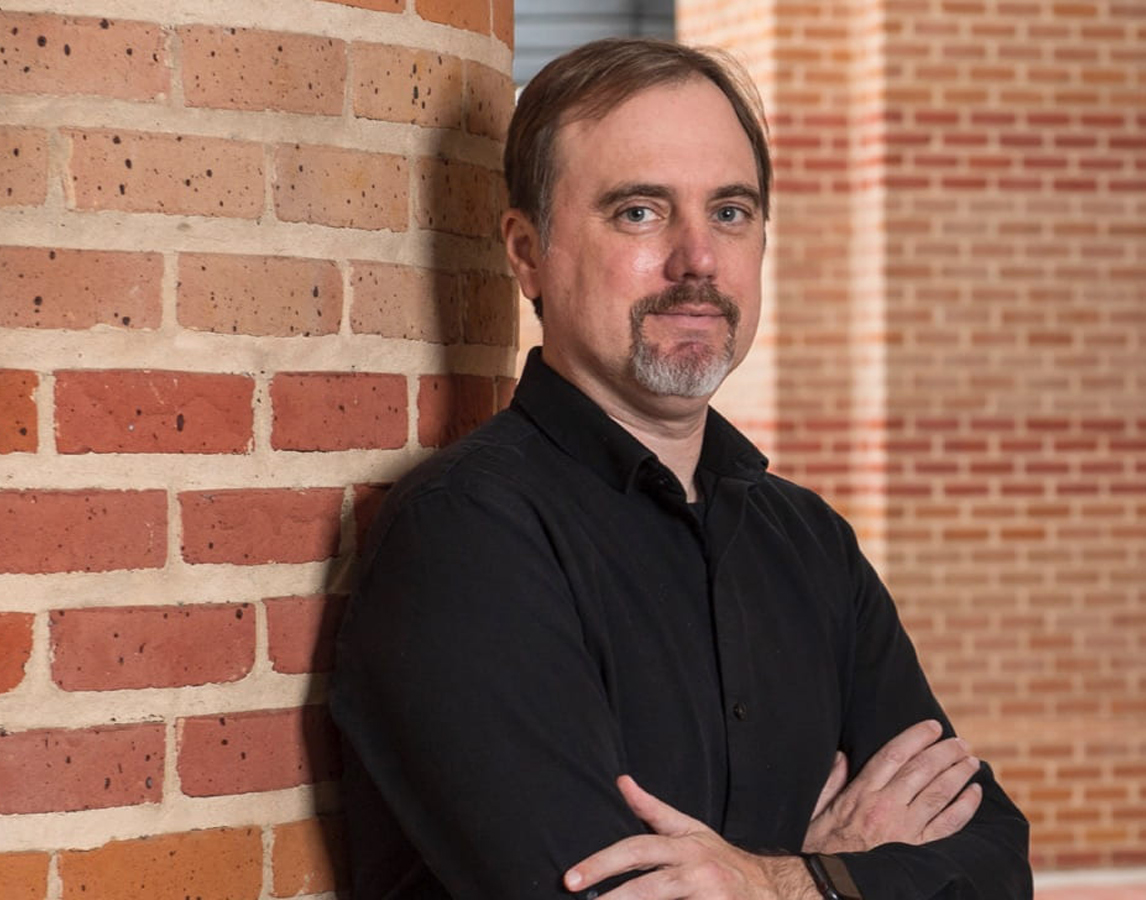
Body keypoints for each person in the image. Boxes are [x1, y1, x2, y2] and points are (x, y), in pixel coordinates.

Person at [330, 37, 1031, 900]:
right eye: (640, 212)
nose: (698, 258)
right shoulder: (467, 538)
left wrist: (779, 882)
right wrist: (845, 867)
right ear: (525, 252)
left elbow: (995, 862)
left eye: (730, 212)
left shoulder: (810, 544)